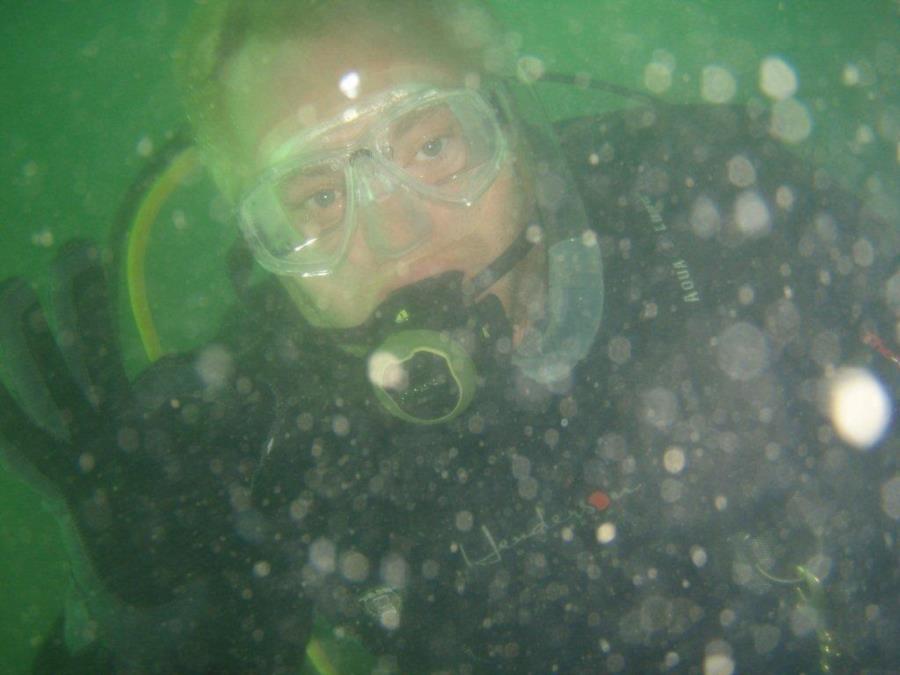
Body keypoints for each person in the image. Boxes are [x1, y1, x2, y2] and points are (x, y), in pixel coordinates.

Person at [2, 0, 897, 672]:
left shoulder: (721, 216)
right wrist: (148, 617)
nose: (398, 235)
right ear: (269, 251)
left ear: (504, 121)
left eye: (431, 147)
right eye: (317, 199)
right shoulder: (261, 438)